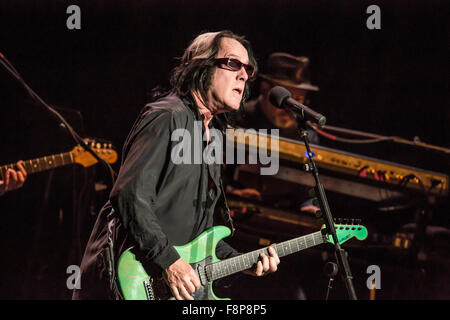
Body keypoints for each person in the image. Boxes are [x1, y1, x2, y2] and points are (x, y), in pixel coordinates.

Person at [73, 30, 280, 300]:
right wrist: (169, 261)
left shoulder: (213, 134)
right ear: (201, 67)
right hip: (127, 279)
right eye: (233, 64)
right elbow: (129, 196)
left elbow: (199, 234)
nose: (243, 75)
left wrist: (244, 262)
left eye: (248, 69)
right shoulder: (167, 117)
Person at [228, 52, 321, 214]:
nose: (290, 108)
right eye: (286, 99)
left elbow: (309, 187)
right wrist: (232, 193)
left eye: (298, 100)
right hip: (235, 213)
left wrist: (309, 204)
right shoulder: (237, 119)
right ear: (266, 90)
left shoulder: (307, 135)